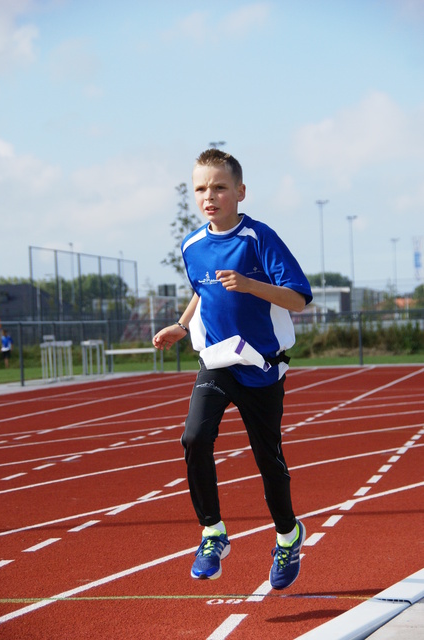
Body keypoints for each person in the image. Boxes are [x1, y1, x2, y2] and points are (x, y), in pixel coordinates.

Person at [153, 149, 312, 589]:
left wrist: (249, 285)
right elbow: (204, 291)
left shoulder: (260, 239)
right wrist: (182, 325)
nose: (210, 196)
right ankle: (212, 533)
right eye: (202, 188)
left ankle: (287, 534)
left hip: (262, 366)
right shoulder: (191, 246)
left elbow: (298, 299)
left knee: (267, 458)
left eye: (220, 187)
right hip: (217, 361)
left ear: (240, 192)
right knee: (194, 437)